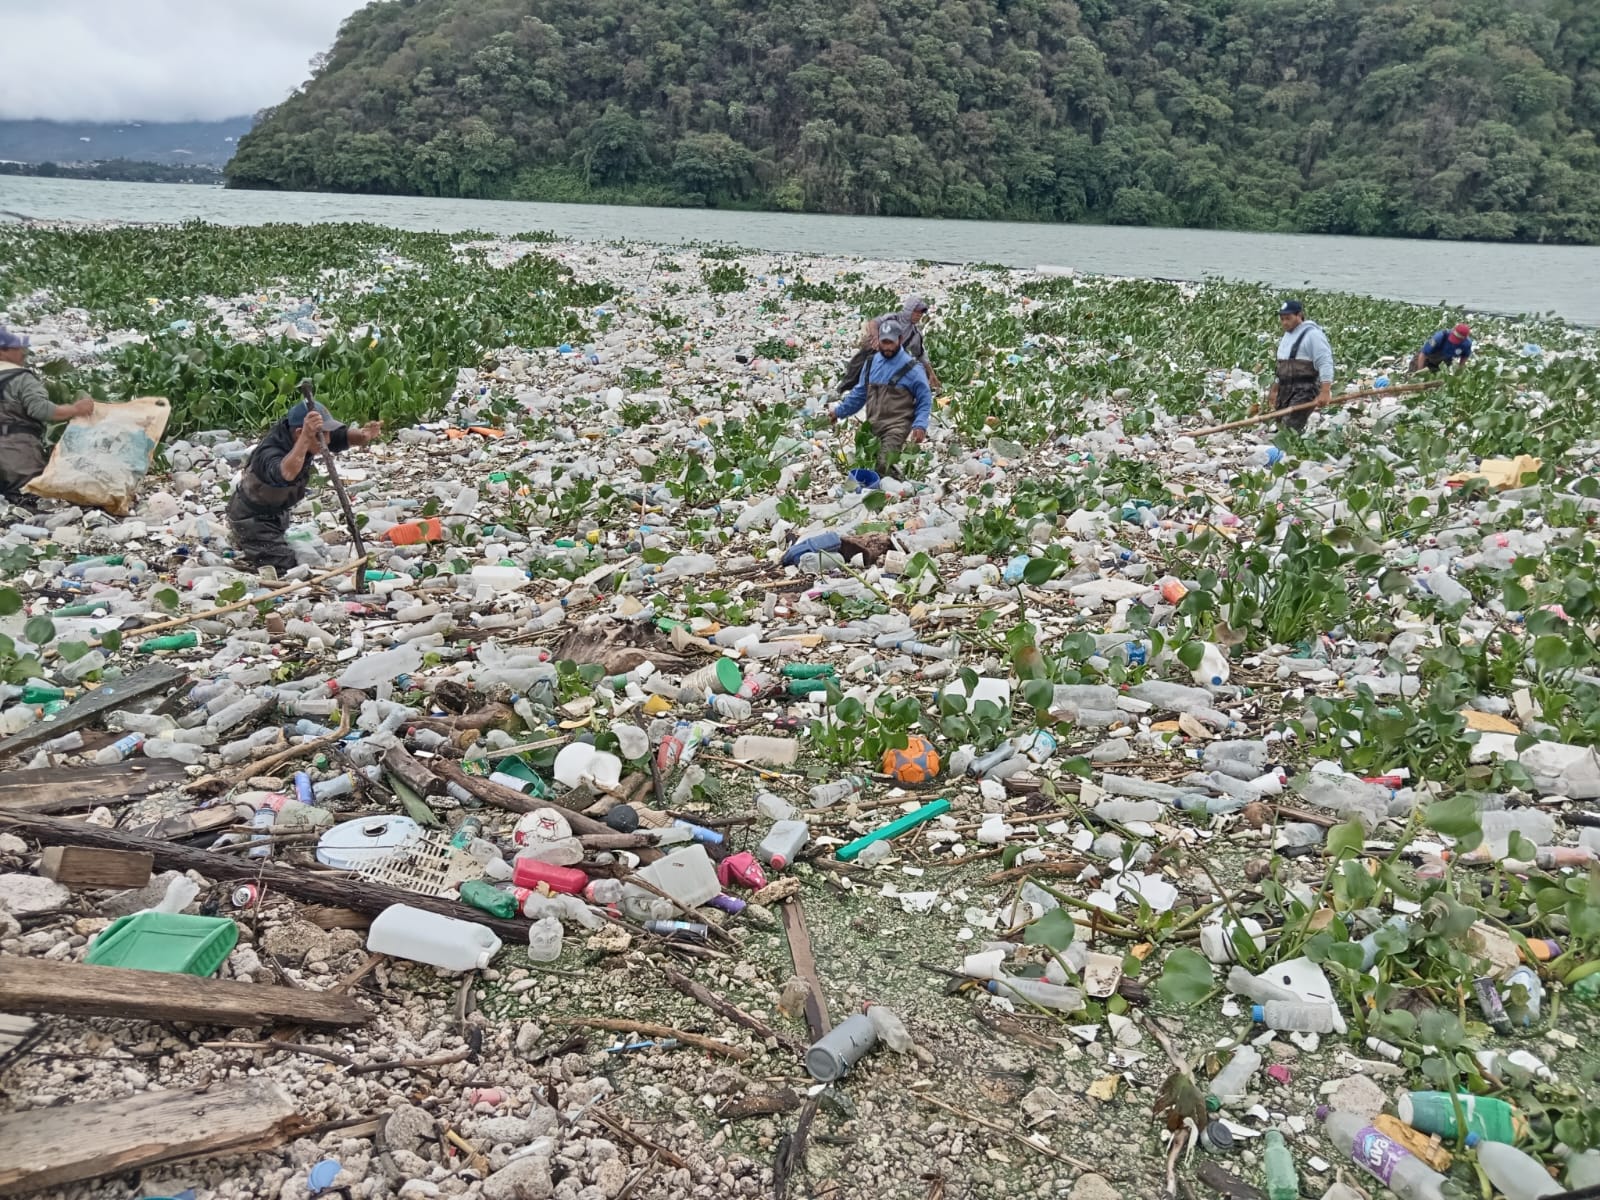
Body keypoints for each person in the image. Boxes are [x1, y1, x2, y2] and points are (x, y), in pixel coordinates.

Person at [227, 397, 381, 573]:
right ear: (299, 433)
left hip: (278, 512)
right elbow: (286, 473)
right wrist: (306, 438)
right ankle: (244, 537)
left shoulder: (309, 437)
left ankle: (251, 541)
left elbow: (340, 436)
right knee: (282, 565)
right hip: (252, 518)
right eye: (321, 436)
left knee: (293, 548)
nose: (327, 441)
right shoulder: (269, 452)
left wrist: (363, 435)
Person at [0, 326, 96, 504]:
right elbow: (41, 410)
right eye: (17, 348)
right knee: (29, 499)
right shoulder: (21, 378)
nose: (23, 353)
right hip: (14, 452)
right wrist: (75, 409)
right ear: (3, 351)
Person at [829, 314, 933, 474]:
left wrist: (920, 425)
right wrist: (839, 412)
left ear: (900, 339)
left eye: (891, 342)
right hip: (873, 425)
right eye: (884, 342)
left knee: (883, 464)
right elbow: (859, 394)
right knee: (869, 466)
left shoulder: (913, 368)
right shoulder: (871, 362)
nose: (887, 347)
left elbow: (924, 399)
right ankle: (896, 481)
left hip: (897, 426)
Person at [836, 295, 940, 395]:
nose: (919, 315)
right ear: (909, 310)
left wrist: (932, 374)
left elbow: (920, 355)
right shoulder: (893, 318)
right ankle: (842, 390)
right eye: (916, 311)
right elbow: (873, 323)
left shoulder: (915, 334)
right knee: (856, 370)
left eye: (921, 313)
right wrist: (876, 337)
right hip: (874, 350)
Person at [1265, 300, 1333, 433]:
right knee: (1280, 424)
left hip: (1305, 390)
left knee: (1290, 427)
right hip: (1285, 389)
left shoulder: (1313, 334)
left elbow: (1325, 362)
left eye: (1288, 318)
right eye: (1282, 319)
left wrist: (1325, 392)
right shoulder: (1287, 336)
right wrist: (1274, 389)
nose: (1285, 322)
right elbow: (1282, 367)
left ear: (1299, 315)